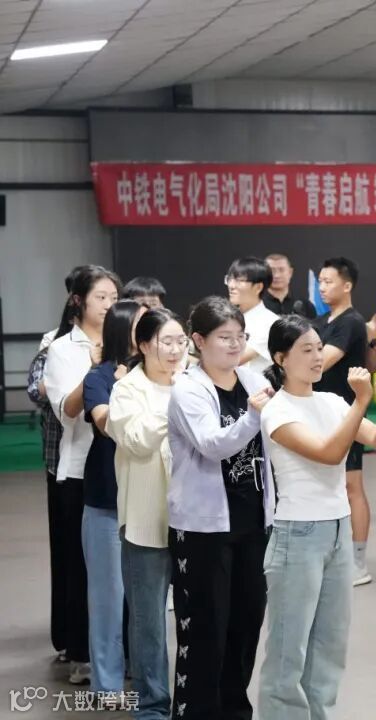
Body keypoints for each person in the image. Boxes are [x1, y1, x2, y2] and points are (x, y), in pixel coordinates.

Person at [257, 315, 376, 720]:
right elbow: (330, 453)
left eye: (318, 348)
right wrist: (362, 402)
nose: (317, 357)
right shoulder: (277, 411)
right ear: (281, 359)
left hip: (337, 530)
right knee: (288, 651)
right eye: (306, 350)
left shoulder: (331, 401)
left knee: (329, 647)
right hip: (297, 534)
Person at [167, 296, 276, 720]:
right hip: (202, 528)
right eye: (224, 337)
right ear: (199, 340)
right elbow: (212, 444)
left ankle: (234, 711)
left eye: (240, 337)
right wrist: (254, 416)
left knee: (245, 625)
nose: (235, 345)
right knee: (205, 629)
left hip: (252, 521)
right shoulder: (188, 389)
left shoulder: (251, 381)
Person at [108, 307, 189, 720]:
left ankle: (192, 702)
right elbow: (137, 440)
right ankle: (152, 708)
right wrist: (175, 399)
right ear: (143, 345)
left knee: (197, 618)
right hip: (145, 522)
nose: (175, 351)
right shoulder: (128, 389)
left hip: (195, 521)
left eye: (181, 342)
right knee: (148, 623)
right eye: (166, 342)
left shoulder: (194, 383)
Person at [44, 265, 122, 684]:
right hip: (78, 470)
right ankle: (81, 653)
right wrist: (95, 369)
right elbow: (67, 411)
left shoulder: (124, 341)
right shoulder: (62, 348)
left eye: (114, 297)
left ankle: (121, 654)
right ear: (79, 301)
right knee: (81, 567)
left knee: (122, 569)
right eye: (101, 297)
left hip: (123, 465)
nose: (109, 304)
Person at [27, 264, 92, 666]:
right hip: (63, 458)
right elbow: (38, 390)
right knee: (69, 551)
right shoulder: (56, 342)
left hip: (101, 461)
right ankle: (70, 637)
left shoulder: (119, 339)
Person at [81, 299, 145, 698]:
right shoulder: (100, 377)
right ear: (124, 330)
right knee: (107, 597)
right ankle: (106, 683)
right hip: (107, 498)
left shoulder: (160, 374)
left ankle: (144, 674)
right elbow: (106, 425)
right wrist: (123, 385)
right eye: (142, 323)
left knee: (145, 599)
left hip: (149, 500)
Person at [314, 257, 376, 586]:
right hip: (320, 414)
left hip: (347, 415)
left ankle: (358, 562)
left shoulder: (351, 322)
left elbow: (321, 363)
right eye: (320, 282)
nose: (323, 287)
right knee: (329, 485)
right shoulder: (321, 321)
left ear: (347, 285)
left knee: (352, 485)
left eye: (329, 281)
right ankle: (334, 556)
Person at [225, 256, 279, 375]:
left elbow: (232, 361)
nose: (231, 286)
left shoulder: (269, 323)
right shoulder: (226, 318)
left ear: (258, 287)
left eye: (239, 281)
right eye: (229, 279)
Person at [263, 253, 317, 318]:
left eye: (281, 270)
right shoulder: (256, 304)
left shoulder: (305, 305)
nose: (277, 275)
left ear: (290, 272)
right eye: (272, 270)